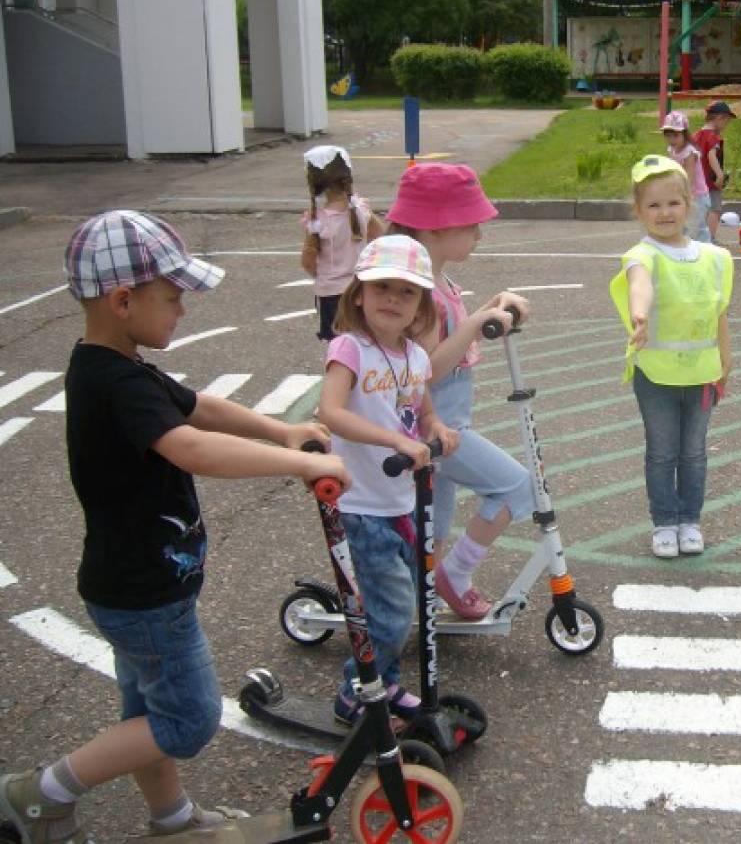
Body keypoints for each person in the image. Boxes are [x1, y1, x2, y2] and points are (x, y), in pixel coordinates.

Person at [0, 211, 350, 843]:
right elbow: (191, 447)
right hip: (144, 594)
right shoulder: (116, 382)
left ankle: (172, 819)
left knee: (145, 713)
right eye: (172, 297)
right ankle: (40, 794)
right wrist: (300, 460)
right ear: (123, 300)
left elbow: (199, 406)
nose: (183, 310)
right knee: (186, 721)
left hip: (133, 585)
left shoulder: (117, 366)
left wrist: (281, 429)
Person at [316, 234, 460, 724]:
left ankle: (387, 683)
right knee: (390, 609)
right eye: (382, 288)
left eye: (407, 292)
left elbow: (421, 410)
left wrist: (435, 428)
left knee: (407, 599)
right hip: (361, 506)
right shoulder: (350, 348)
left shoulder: (415, 357)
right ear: (358, 293)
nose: (394, 300)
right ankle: (356, 692)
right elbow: (330, 412)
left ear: (421, 304)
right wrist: (395, 441)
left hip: (405, 500)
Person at [384, 164, 533, 620]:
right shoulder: (418, 289)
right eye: (471, 226)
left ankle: (415, 594)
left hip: (447, 423)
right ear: (435, 226)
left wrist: (490, 307)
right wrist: (475, 323)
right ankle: (454, 574)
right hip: (436, 425)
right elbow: (424, 370)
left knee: (431, 523)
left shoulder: (438, 278)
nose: (479, 236)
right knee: (519, 488)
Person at [610, 155, 734, 558]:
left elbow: (720, 317)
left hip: (702, 375)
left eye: (673, 203)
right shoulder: (641, 255)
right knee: (663, 452)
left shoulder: (715, 258)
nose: (664, 213)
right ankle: (665, 521)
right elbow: (639, 284)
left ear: (689, 204)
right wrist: (640, 314)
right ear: (639, 210)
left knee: (694, 452)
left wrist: (725, 365)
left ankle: (689, 520)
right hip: (656, 377)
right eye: (653, 205)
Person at [299, 145, 385, 341]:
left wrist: (322, 275)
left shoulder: (317, 222)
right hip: (361, 288)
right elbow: (380, 234)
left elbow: (308, 262)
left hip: (331, 294)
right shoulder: (360, 210)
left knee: (340, 347)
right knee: (365, 342)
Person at [660, 110, 711, 243]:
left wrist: (682, 194)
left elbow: (689, 177)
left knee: (698, 227)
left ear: (684, 134)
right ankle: (683, 252)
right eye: (668, 136)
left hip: (697, 196)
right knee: (682, 226)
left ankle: (706, 253)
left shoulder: (689, 152)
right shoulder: (671, 150)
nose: (671, 140)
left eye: (675, 136)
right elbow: (671, 169)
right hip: (682, 194)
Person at [692, 100, 737, 244]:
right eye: (726, 121)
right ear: (719, 118)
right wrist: (720, 174)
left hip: (697, 180)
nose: (726, 125)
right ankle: (710, 238)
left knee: (701, 209)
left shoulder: (697, 135)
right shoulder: (713, 137)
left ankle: (698, 237)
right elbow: (711, 156)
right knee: (715, 209)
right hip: (710, 181)